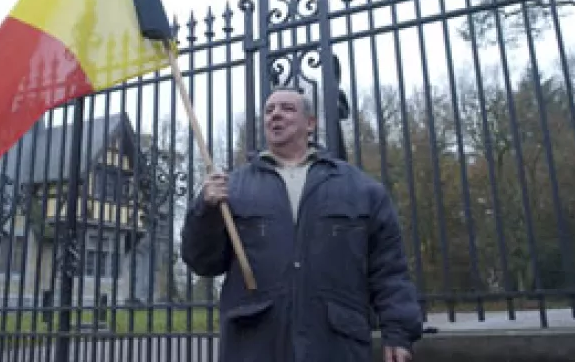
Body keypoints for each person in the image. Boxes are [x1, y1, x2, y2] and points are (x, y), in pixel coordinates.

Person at [180, 87, 423, 362]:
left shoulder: (360, 189)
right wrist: (205, 210)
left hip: (335, 345)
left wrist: (398, 333)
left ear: (310, 123)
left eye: (287, 108)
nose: (275, 115)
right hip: (254, 345)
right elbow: (202, 262)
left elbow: (389, 269)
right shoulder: (231, 189)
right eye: (269, 110)